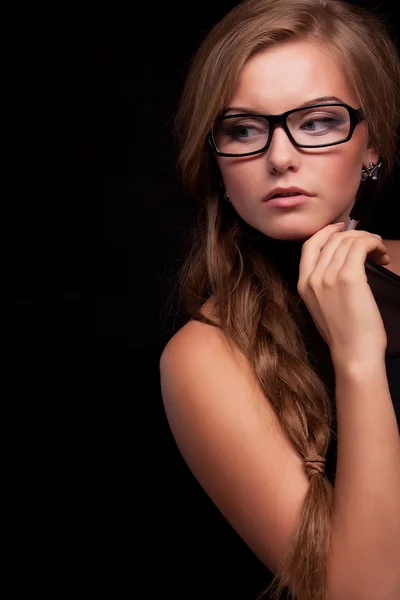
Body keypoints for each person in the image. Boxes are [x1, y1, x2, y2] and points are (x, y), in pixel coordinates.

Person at [159, 1, 400, 599]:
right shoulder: (203, 358)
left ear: (372, 144)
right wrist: (358, 359)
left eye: (317, 122)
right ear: (215, 159)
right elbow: (365, 593)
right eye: (243, 129)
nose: (281, 156)